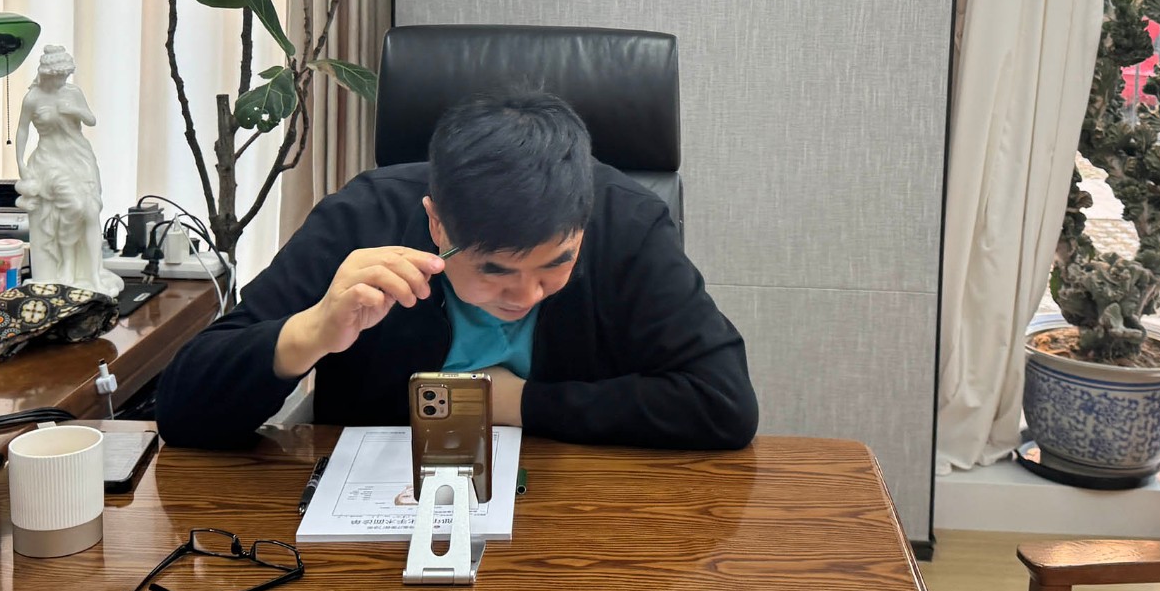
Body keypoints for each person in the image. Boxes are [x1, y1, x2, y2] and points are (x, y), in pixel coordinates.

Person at [156, 91, 760, 452]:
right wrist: (312, 332)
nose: (527, 294)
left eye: (557, 263)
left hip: (573, 526)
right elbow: (182, 410)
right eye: (495, 270)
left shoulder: (626, 225)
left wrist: (514, 402)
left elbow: (723, 402)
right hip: (374, 534)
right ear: (437, 225)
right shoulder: (364, 219)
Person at [14, 44, 122, 297]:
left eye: (65, 76)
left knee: (91, 211)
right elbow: (22, 129)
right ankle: (67, 265)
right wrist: (20, 162)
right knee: (75, 206)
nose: (62, 80)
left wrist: (75, 110)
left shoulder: (72, 93)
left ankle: (93, 274)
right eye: (59, 76)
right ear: (47, 74)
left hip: (79, 157)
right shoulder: (33, 98)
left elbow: (91, 120)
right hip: (50, 161)